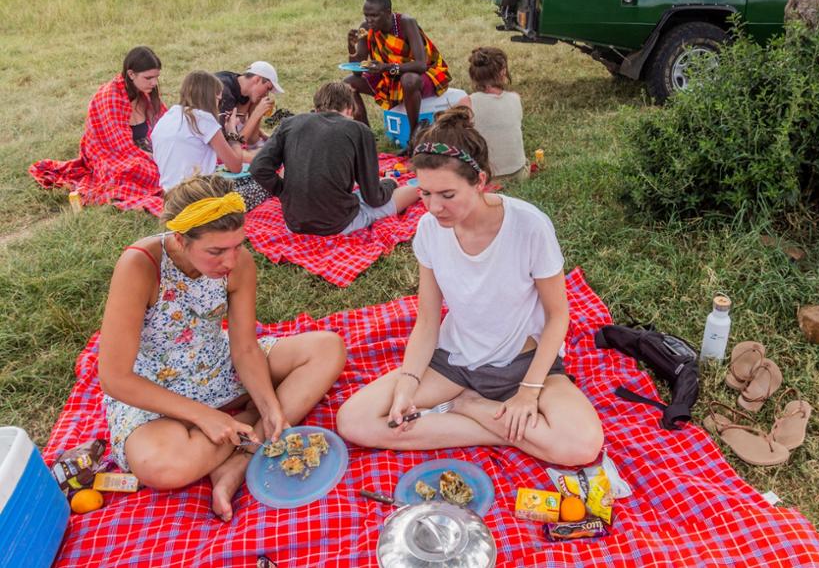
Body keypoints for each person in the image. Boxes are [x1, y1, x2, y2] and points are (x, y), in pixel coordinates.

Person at [336, 108, 604, 467]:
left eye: (447, 194)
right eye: (425, 193)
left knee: (582, 446)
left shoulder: (529, 226)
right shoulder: (429, 231)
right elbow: (428, 320)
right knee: (354, 421)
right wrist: (408, 383)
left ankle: (471, 407)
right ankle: (508, 431)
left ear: (479, 180)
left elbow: (558, 316)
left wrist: (527, 394)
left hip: (523, 365)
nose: (433, 207)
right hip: (455, 364)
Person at [97, 175, 346, 521]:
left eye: (237, 245)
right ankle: (247, 427)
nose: (230, 261)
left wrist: (270, 405)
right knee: (162, 468)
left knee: (328, 348)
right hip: (156, 391)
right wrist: (205, 416)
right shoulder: (141, 265)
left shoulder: (238, 262)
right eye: (215, 251)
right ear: (181, 239)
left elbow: (244, 348)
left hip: (219, 367)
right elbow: (114, 377)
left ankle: (241, 457)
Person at [250, 82, 420, 236]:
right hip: (337, 224)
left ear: (316, 109)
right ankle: (423, 187)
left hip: (293, 222)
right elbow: (374, 198)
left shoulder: (289, 123)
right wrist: (389, 183)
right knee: (413, 190)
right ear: (349, 109)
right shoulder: (359, 130)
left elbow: (258, 167)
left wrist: (285, 192)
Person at [29, 46, 166, 206]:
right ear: (131, 74)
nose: (154, 82)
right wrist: (157, 158)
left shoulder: (146, 93)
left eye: (156, 77)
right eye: (148, 78)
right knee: (142, 170)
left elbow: (166, 124)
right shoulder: (111, 97)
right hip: (113, 155)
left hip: (145, 147)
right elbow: (118, 148)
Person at [152, 71, 270, 210]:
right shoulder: (203, 119)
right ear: (211, 97)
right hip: (197, 199)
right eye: (219, 100)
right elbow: (236, 166)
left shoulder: (168, 116)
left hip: (170, 199)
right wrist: (232, 132)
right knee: (265, 184)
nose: (219, 105)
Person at [343, 0, 451, 137]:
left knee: (409, 80)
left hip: (423, 74)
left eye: (374, 16)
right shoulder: (365, 28)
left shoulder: (406, 23)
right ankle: (366, 135)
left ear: (388, 12)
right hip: (389, 76)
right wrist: (351, 47)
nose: (369, 20)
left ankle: (414, 136)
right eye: (366, 15)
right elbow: (357, 72)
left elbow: (421, 65)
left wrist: (387, 67)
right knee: (348, 85)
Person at [457, 47, 529, 183]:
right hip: (519, 173)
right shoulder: (515, 98)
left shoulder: (467, 103)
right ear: (503, 72)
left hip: (485, 178)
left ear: (473, 75)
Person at [214, 61, 284, 150]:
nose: (266, 94)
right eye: (268, 88)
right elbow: (229, 147)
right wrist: (256, 114)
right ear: (257, 79)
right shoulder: (224, 94)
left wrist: (262, 134)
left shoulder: (238, 83)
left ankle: (257, 145)